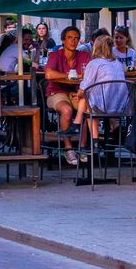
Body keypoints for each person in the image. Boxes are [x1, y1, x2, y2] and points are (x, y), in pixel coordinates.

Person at [45, 25, 92, 165]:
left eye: (76, 38)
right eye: (70, 38)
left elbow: (89, 74)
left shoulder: (84, 55)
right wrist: (69, 75)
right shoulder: (55, 55)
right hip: (56, 92)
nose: (73, 41)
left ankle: (82, 147)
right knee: (67, 110)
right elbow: (48, 74)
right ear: (63, 40)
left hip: (76, 92)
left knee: (85, 109)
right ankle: (68, 148)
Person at [75, 34, 130, 142]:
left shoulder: (94, 63)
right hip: (120, 106)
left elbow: (85, 86)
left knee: (86, 102)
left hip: (103, 106)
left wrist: (78, 94)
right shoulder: (118, 64)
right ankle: (114, 127)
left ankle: (93, 140)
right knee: (88, 101)